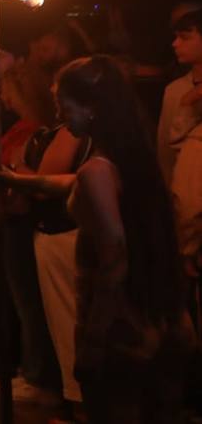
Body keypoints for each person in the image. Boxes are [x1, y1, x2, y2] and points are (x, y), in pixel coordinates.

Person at [58, 55, 194, 422]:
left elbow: (114, 256)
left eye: (65, 107)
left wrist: (95, 338)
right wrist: (12, 179)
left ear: (89, 109)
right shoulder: (133, 158)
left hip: (119, 322)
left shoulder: (95, 170)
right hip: (152, 310)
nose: (62, 118)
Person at [0, 63, 64, 407]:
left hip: (21, 222)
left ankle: (40, 376)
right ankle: (30, 367)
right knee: (21, 299)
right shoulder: (19, 127)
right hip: (5, 217)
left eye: (6, 89)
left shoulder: (37, 131)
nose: (2, 96)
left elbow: (12, 174)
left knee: (29, 301)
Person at [158, 7, 202, 280]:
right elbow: (165, 154)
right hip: (184, 211)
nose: (175, 44)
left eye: (185, 37)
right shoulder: (176, 92)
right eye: (175, 37)